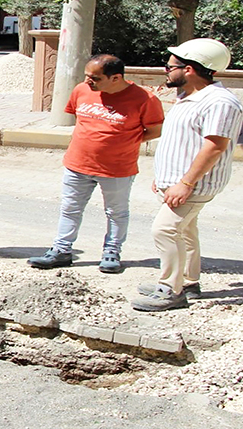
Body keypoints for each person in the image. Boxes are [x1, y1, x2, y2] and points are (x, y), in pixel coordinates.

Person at [132, 38, 243, 312]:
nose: (166, 71)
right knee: (186, 231)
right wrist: (165, 177)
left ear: (191, 69)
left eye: (171, 66)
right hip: (178, 183)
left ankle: (171, 290)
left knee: (165, 230)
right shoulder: (190, 97)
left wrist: (185, 183)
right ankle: (189, 283)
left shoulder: (219, 102)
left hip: (193, 185)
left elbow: (215, 146)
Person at [28, 54, 164, 273]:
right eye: (86, 76)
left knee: (116, 212)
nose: (88, 81)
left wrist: (123, 141)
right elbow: (79, 120)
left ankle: (112, 252)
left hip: (117, 168)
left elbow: (155, 130)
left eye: (95, 77)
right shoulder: (82, 90)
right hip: (77, 164)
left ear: (116, 78)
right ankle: (61, 251)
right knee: (70, 208)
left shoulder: (144, 99)